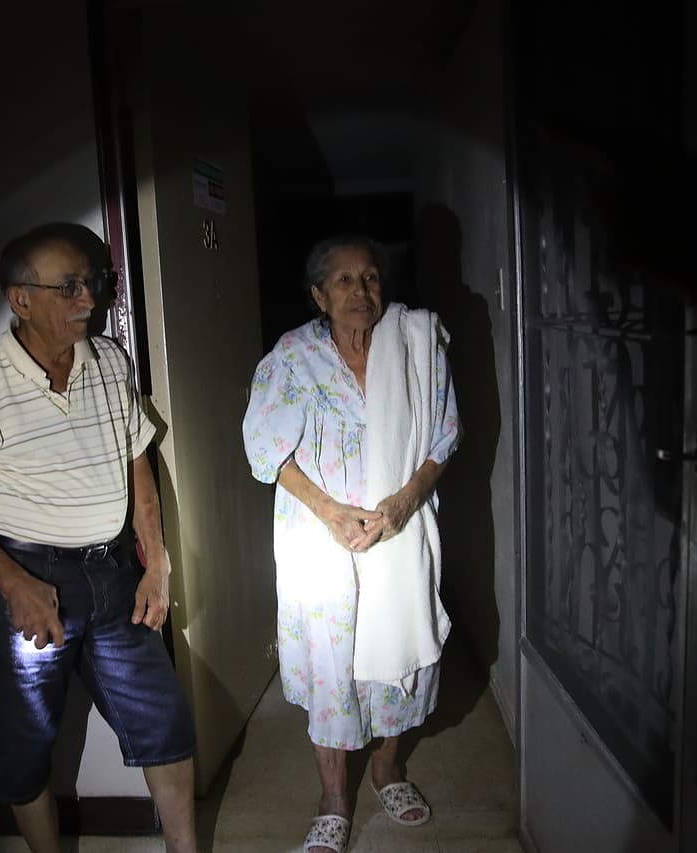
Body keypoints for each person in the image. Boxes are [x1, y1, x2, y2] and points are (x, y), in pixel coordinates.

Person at [0, 222, 198, 853]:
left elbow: (139, 466)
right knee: (27, 738)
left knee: (164, 721)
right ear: (21, 299)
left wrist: (156, 562)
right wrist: (15, 585)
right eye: (69, 287)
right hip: (25, 579)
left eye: (95, 284)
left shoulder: (109, 361)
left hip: (113, 577)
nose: (89, 301)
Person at [242, 235, 461, 853]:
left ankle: (388, 770)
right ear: (319, 294)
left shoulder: (415, 344)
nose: (360, 292)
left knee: (399, 646)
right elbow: (265, 451)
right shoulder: (292, 357)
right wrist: (332, 512)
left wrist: (401, 505)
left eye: (369, 278)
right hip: (321, 538)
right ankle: (334, 797)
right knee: (330, 662)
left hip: (400, 528)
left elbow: (443, 436)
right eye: (343, 281)